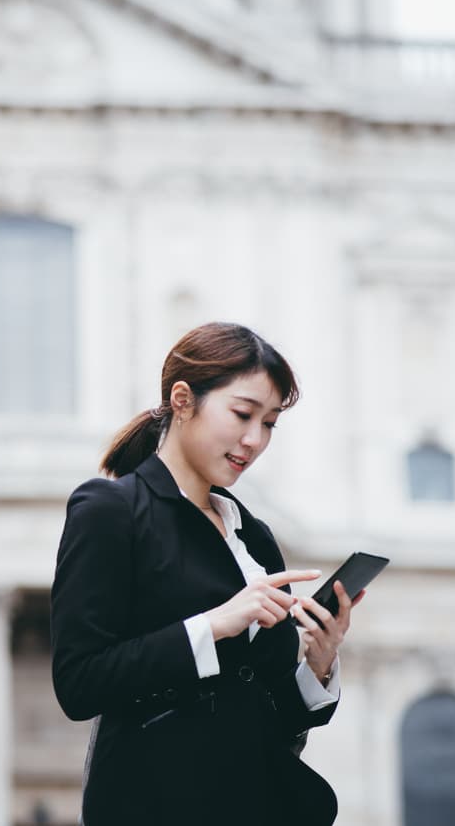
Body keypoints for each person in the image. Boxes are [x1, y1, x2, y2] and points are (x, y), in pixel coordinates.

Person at [50, 322, 364, 826]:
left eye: (269, 424)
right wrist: (214, 625)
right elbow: (79, 683)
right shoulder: (110, 510)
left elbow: (273, 718)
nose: (254, 440)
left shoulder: (254, 536)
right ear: (182, 399)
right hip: (155, 804)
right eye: (242, 414)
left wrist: (318, 664)